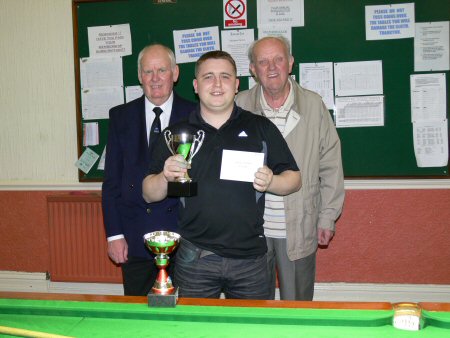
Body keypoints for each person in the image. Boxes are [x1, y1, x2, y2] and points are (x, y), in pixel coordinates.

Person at [142, 50, 301, 299]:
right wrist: (164, 177)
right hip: (195, 259)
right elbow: (148, 193)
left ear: (236, 85)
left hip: (251, 261)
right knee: (194, 332)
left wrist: (272, 181)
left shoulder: (260, 127)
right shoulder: (176, 134)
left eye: (225, 77)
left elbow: (294, 178)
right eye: (208, 77)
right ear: (196, 85)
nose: (217, 84)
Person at [235, 36, 345, 301]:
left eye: (278, 59)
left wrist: (327, 216)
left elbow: (331, 166)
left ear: (291, 63)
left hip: (298, 225)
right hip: (250, 229)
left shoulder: (313, 105)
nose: (272, 67)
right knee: (253, 305)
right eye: (263, 61)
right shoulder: (238, 106)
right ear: (252, 69)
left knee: (296, 306)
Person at [102, 44, 196, 296]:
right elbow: (111, 181)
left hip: (184, 237)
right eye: (148, 72)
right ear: (140, 77)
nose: (155, 79)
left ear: (175, 73)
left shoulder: (196, 115)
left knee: (183, 317)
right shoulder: (120, 116)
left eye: (162, 70)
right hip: (135, 235)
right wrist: (114, 235)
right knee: (138, 315)